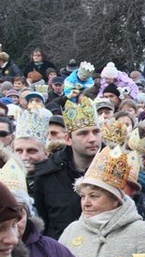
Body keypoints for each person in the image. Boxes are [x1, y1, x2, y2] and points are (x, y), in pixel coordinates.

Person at [59, 146, 145, 257]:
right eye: (83, 196)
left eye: (94, 196)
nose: (86, 203)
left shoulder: (141, 231)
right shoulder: (71, 231)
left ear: (115, 200)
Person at [34, 99, 102, 239]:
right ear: (68, 139)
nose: (92, 139)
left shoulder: (115, 170)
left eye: (96, 132)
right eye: (83, 133)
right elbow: (43, 224)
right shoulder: (47, 175)